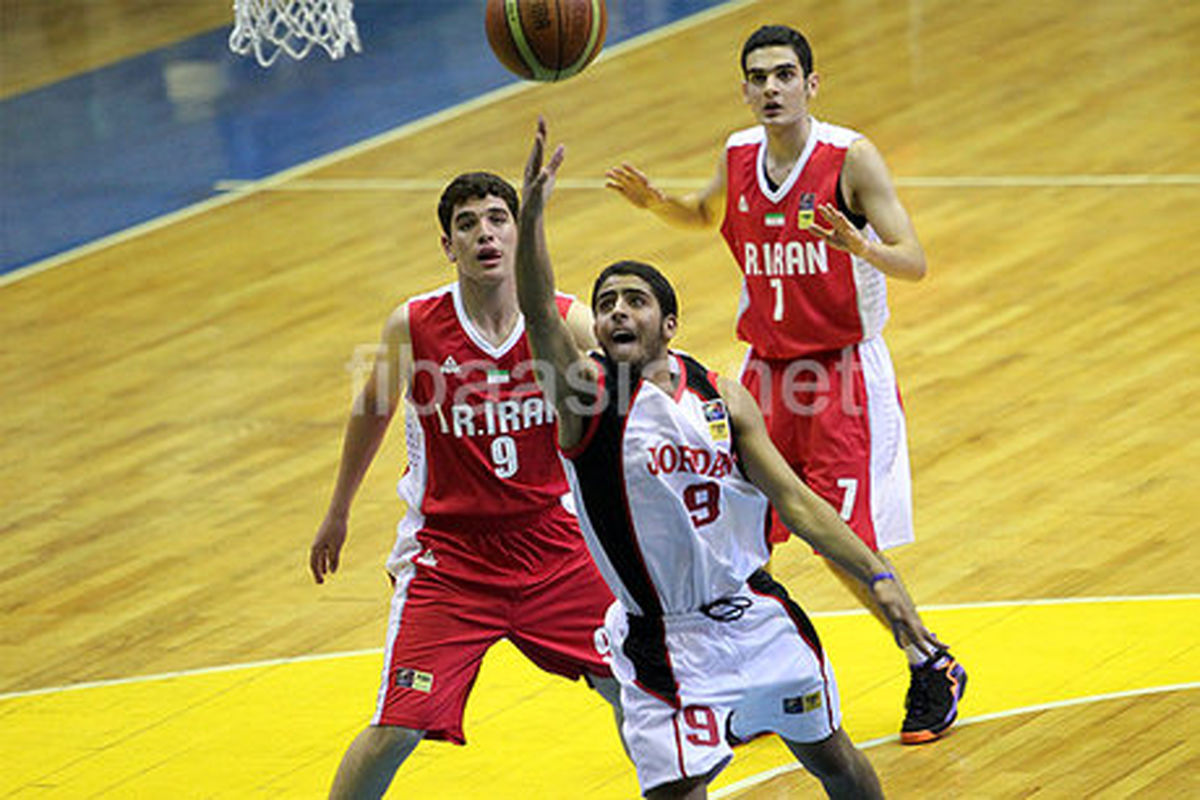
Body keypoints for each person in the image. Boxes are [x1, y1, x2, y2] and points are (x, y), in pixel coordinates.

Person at [517, 117, 945, 798]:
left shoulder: (721, 394)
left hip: (756, 614)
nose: (618, 313)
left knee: (838, 761)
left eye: (636, 301)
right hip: (662, 641)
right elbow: (539, 312)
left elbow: (798, 503)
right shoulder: (585, 399)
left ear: (669, 324)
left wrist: (879, 576)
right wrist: (532, 215)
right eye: (606, 305)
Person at [605, 24, 966, 745]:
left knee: (840, 545)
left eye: (784, 75)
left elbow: (915, 259)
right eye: (758, 77)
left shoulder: (850, 157)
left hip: (841, 377)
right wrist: (655, 203)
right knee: (737, 534)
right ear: (744, 90)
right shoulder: (739, 155)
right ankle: (755, 681)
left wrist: (859, 245)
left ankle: (929, 662)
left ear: (811, 84)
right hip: (765, 376)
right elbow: (705, 214)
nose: (771, 88)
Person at [308, 171, 623, 799]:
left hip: (555, 547)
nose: (485, 233)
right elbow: (371, 412)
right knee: (397, 728)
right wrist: (338, 511)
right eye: (468, 224)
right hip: (449, 558)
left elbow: (632, 400)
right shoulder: (416, 324)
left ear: (519, 232)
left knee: (635, 686)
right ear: (448, 246)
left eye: (498, 219)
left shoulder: (567, 320)